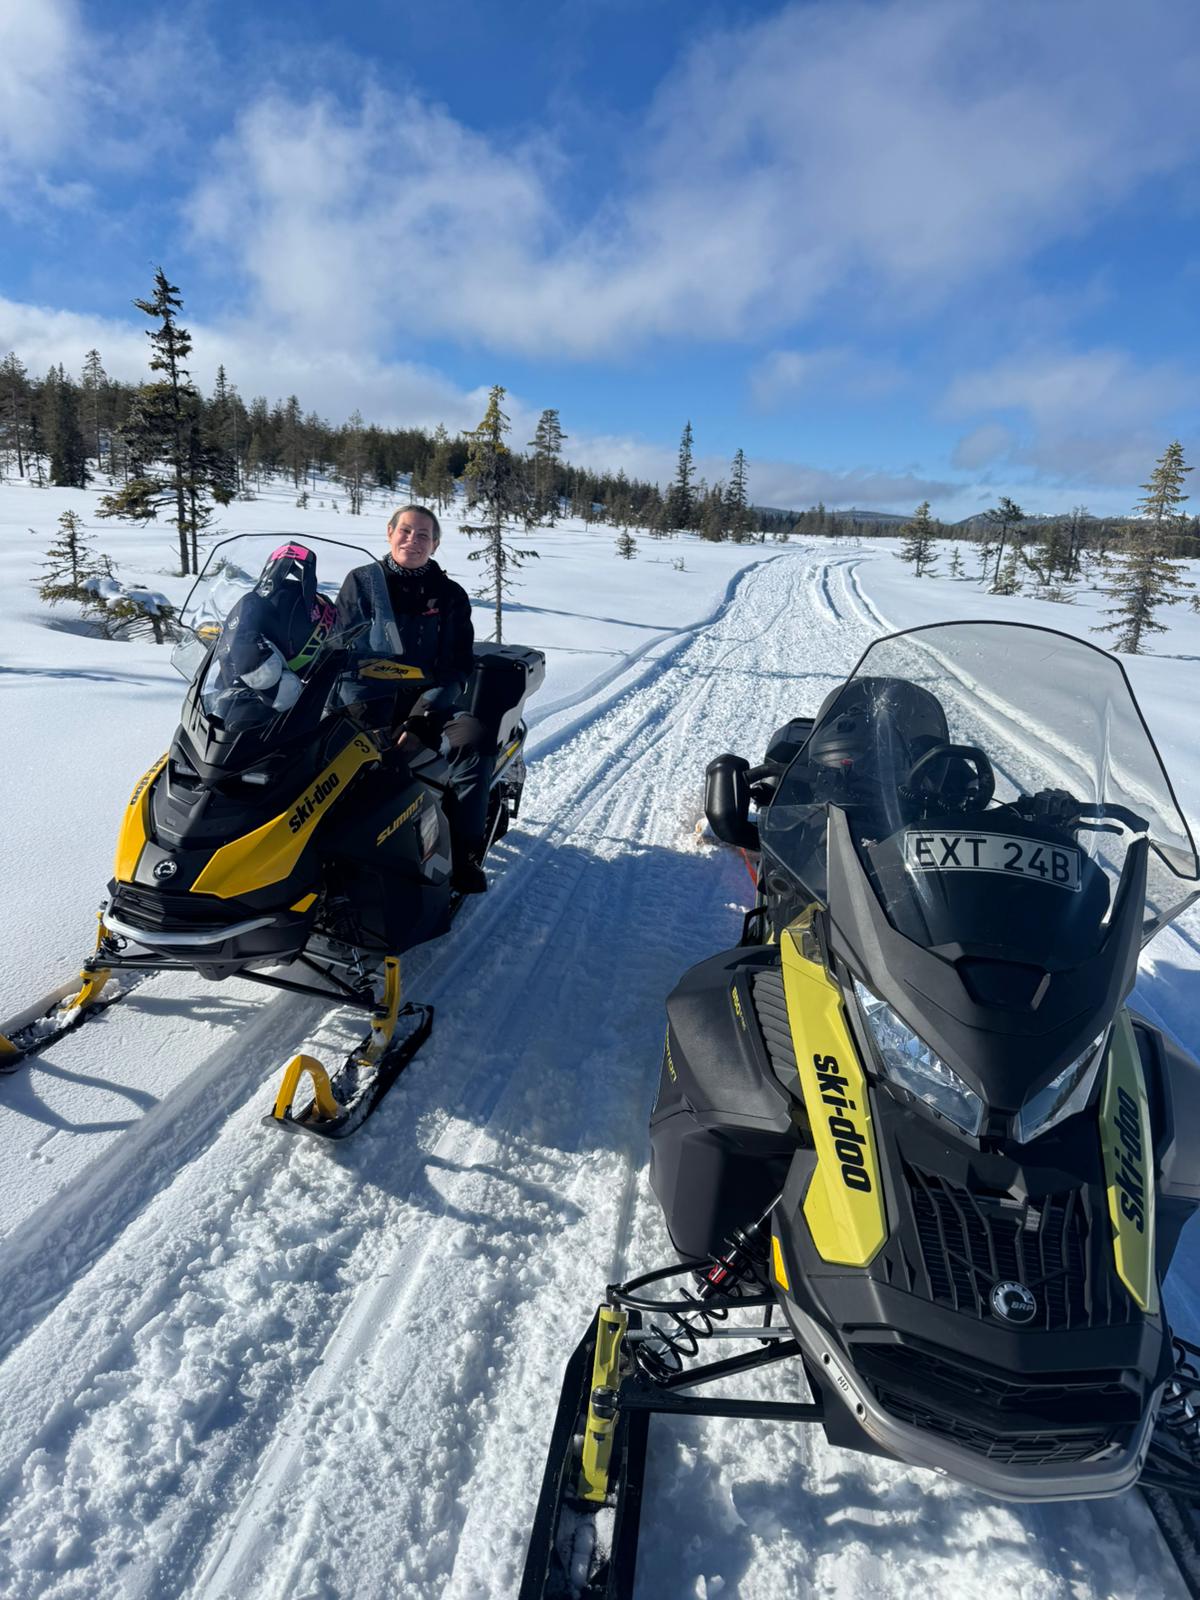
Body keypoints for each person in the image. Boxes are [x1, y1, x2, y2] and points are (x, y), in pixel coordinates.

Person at [336, 505, 491, 894]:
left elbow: (457, 667)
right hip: (366, 699)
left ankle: (462, 852)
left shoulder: (450, 595)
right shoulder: (362, 583)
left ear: (435, 544)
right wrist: (362, 713)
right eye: (405, 531)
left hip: (429, 702)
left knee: (472, 741)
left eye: (423, 535)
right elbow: (342, 653)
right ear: (390, 533)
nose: (413, 540)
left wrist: (426, 717)